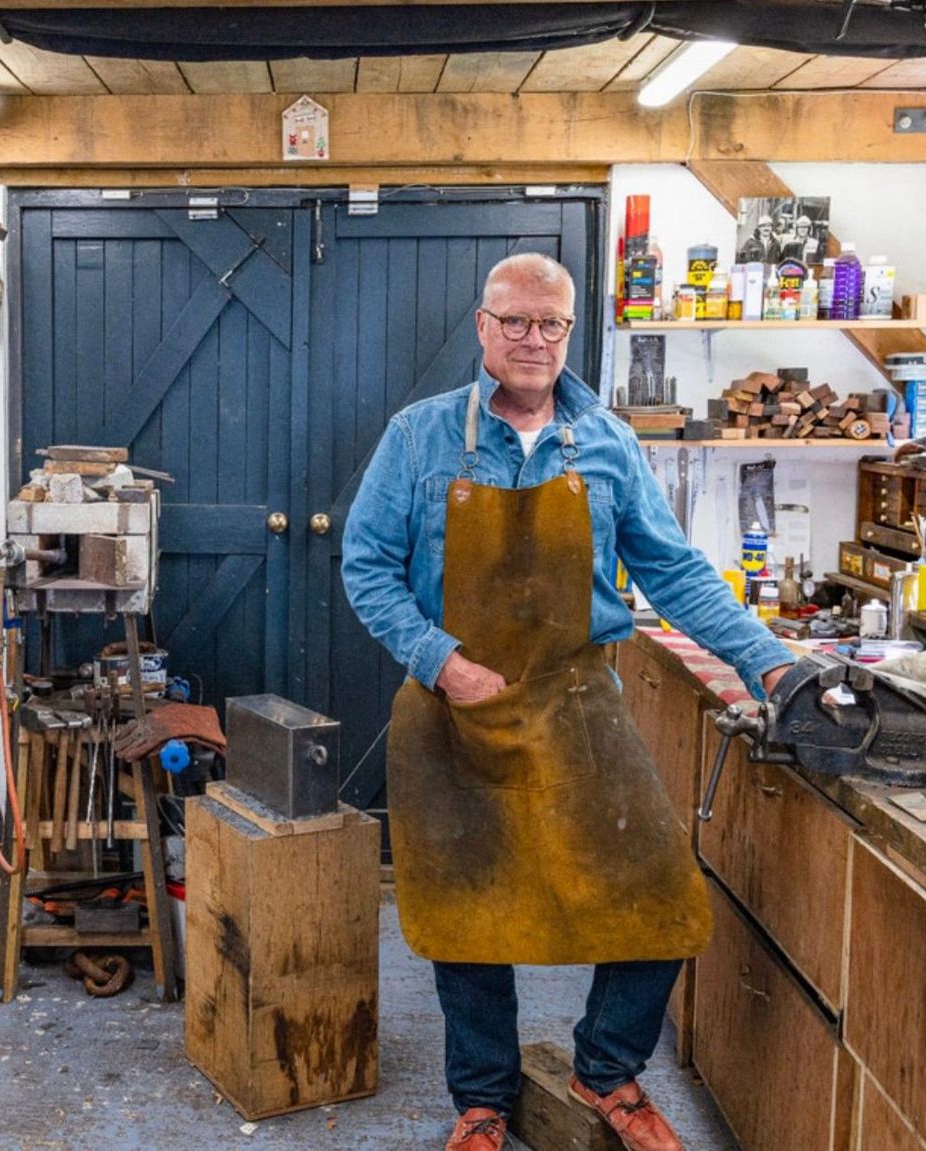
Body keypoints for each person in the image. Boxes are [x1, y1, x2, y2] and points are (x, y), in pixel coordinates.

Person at [340, 253, 795, 1151]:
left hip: (579, 703)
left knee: (662, 895)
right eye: (513, 321)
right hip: (456, 712)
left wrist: (769, 663)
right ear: (482, 327)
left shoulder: (609, 443)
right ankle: (480, 1102)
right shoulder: (420, 436)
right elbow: (366, 567)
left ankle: (605, 1068)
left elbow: (672, 571)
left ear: (571, 329)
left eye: (550, 323)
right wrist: (440, 659)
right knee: (470, 920)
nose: (532, 339)